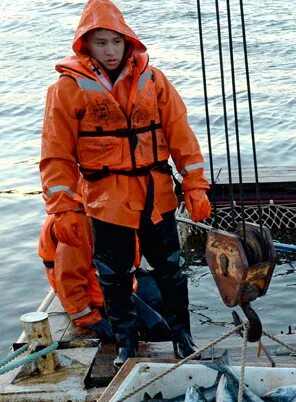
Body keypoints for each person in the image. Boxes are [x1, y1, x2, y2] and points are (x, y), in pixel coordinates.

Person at [40, 0, 212, 368]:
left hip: (156, 195)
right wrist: (63, 209)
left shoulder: (155, 80)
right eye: (101, 42)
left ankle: (183, 335)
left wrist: (195, 184)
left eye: (116, 42)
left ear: (128, 42)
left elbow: (180, 134)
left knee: (170, 267)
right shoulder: (67, 90)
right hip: (105, 199)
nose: (110, 50)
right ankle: (125, 343)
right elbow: (56, 154)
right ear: (86, 45)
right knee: (114, 276)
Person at [37, 213, 114, 342]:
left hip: (108, 282)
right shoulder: (78, 221)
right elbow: (68, 279)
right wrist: (89, 318)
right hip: (92, 295)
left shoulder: (96, 208)